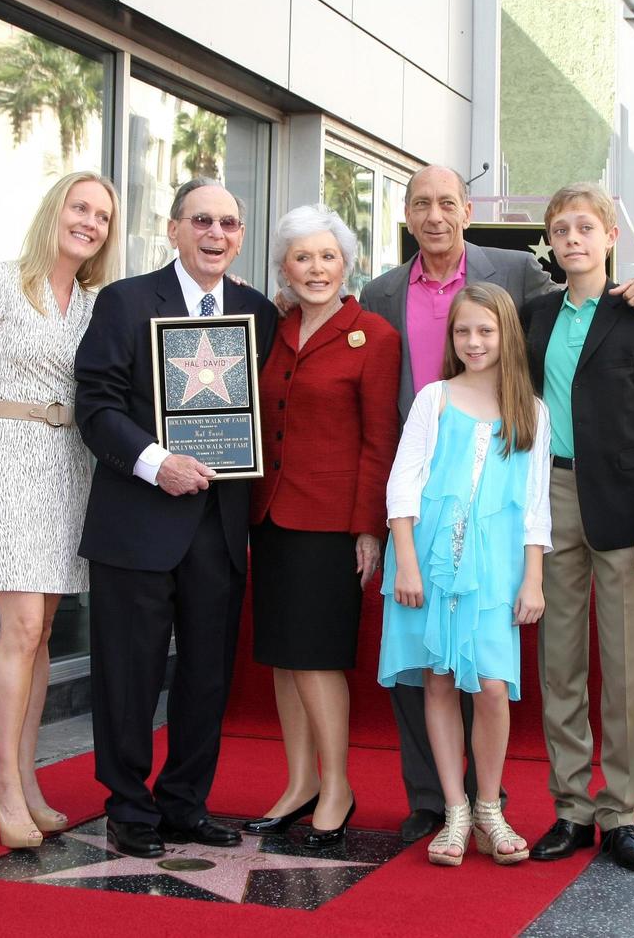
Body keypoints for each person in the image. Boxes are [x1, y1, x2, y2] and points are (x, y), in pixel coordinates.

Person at [359, 164, 634, 844]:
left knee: (577, 669)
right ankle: (498, 804)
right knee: (505, 668)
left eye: (447, 202)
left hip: (567, 501)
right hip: (471, 502)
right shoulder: (395, 295)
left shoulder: (563, 292)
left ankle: (604, 811)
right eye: (560, 230)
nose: (435, 215)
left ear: (468, 209)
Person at [73, 178, 277, 858]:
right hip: (136, 521)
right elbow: (95, 405)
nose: (215, 234)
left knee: (206, 676)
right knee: (128, 675)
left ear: (241, 236)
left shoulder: (257, 311)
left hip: (219, 530)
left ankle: (185, 803)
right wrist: (155, 461)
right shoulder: (126, 301)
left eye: (228, 223)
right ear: (174, 228)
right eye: (201, 221)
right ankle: (129, 808)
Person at [0, 171, 120, 848]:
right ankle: (3, 783)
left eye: (102, 216)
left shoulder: (95, 302)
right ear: (54, 211)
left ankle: (25, 776)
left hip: (69, 466)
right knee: (20, 628)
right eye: (80, 207)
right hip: (5, 457)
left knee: (43, 631)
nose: (90, 222)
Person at [519, 182, 634, 873]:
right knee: (559, 666)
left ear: (611, 236)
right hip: (550, 494)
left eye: (586, 227)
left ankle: (620, 813)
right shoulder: (533, 315)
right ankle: (570, 808)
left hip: (623, 504)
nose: (573, 240)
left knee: (624, 669)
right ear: (550, 245)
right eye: (561, 231)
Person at [378, 283, 552, 867]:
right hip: (429, 561)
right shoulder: (434, 398)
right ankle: (453, 812)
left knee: (495, 687)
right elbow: (403, 482)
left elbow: (535, 505)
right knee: (438, 682)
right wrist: (404, 559)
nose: (473, 342)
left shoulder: (533, 411)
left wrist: (533, 578)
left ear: (507, 336)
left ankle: (489, 807)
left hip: (497, 566)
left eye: (485, 330)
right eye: (462, 332)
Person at [243, 205, 400, 847]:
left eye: (327, 256)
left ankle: (337, 786)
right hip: (270, 515)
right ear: (284, 267)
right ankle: (299, 782)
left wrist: (371, 529)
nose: (315, 268)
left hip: (333, 524)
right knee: (284, 660)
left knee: (316, 660)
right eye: (302, 257)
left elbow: (378, 440)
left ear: (346, 264)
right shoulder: (270, 332)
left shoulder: (375, 336)